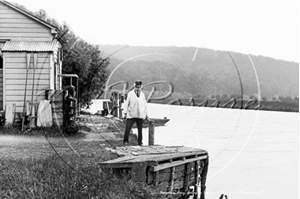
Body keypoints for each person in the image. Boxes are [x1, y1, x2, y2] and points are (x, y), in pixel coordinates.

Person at [123, 80, 148, 146]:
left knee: (140, 129)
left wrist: (146, 114)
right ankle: (125, 140)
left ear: (141, 86)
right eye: (137, 86)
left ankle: (140, 142)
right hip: (131, 114)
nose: (138, 87)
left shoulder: (142, 94)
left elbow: (145, 105)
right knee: (128, 128)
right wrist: (125, 112)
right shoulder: (130, 93)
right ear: (134, 86)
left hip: (140, 114)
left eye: (139, 86)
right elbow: (126, 103)